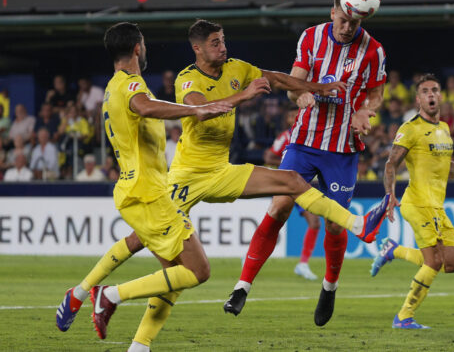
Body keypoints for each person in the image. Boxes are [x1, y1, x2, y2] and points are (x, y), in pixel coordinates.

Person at [57, 19, 389, 351]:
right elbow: (200, 108)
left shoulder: (234, 68)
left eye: (223, 40)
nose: (222, 46)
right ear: (197, 49)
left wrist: (316, 88)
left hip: (219, 170)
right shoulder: (182, 79)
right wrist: (240, 97)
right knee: (163, 259)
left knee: (290, 181)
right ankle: (97, 299)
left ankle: (357, 223)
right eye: (215, 42)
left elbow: (272, 76)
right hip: (184, 178)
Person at [54, 22, 234, 343]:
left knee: (171, 277)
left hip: (139, 189)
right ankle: (108, 296)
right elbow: (145, 107)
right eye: (145, 44)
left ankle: (136, 343)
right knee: (199, 270)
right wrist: (196, 109)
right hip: (147, 193)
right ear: (137, 47)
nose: (147, 49)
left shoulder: (113, 86)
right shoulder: (132, 85)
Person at [224, 0, 389, 327]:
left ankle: (329, 287)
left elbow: (376, 93)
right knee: (279, 206)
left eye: (354, 23)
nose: (346, 28)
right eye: (343, 20)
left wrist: (365, 112)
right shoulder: (312, 37)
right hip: (303, 142)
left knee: (333, 221)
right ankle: (242, 286)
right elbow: (293, 82)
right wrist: (298, 95)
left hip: (342, 149)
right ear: (333, 12)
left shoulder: (373, 50)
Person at [370, 74, 454, 329]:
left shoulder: (444, 129)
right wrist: (390, 194)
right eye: (425, 91)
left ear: (441, 96)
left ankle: (394, 250)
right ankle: (403, 316)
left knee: (453, 263)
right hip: (416, 203)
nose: (431, 95)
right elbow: (391, 163)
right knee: (434, 261)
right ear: (418, 99)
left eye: (435, 90)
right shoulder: (410, 128)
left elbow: (446, 166)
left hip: (437, 206)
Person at [264, 106, 323, 281]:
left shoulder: (310, 135)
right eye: (290, 114)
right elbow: (268, 157)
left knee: (314, 222)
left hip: (302, 186)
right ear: (288, 120)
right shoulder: (285, 137)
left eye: (295, 114)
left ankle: (303, 264)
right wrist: (287, 159)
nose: (293, 116)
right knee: (273, 223)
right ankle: (251, 254)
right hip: (285, 185)